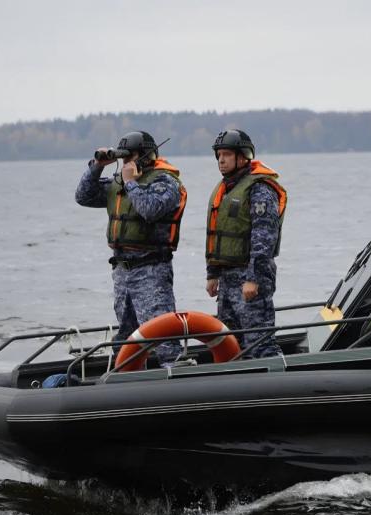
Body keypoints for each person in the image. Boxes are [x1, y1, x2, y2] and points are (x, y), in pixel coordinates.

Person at [75, 131, 186, 367]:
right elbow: (83, 196)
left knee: (163, 336)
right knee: (127, 336)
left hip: (151, 270)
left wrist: (131, 182)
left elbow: (150, 209)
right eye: (123, 158)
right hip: (122, 271)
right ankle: (130, 379)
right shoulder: (118, 184)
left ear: (145, 156)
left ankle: (174, 376)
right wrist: (97, 166)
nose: (125, 163)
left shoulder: (165, 182)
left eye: (130, 157)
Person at [205, 129, 288, 358]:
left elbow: (264, 238)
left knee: (259, 343)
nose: (221, 160)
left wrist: (253, 278)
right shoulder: (225, 189)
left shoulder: (260, 189)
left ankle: (276, 383)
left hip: (251, 277)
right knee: (230, 342)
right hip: (227, 279)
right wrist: (212, 274)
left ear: (242, 156)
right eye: (219, 155)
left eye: (227, 155)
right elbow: (215, 234)